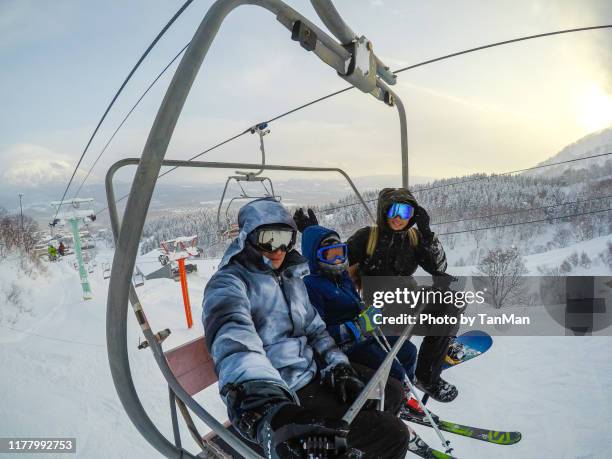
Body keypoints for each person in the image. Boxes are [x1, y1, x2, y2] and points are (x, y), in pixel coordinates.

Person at [202, 198, 411, 459]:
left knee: (390, 392)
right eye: (269, 238)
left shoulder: (291, 279)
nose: (278, 250)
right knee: (393, 435)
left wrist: (338, 367)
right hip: (281, 392)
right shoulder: (229, 285)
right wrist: (265, 407)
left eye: (286, 239)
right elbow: (235, 345)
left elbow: (316, 330)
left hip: (312, 374)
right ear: (248, 238)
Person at [345, 188, 459, 403]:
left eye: (406, 213)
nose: (399, 218)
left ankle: (426, 375)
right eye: (393, 211)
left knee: (450, 302)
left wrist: (426, 233)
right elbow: (337, 266)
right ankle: (393, 388)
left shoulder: (414, 239)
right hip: (378, 308)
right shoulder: (367, 238)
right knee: (396, 350)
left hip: (408, 299)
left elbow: (439, 267)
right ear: (383, 212)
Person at [300, 224, 425, 416]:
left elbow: (355, 306)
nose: (338, 259)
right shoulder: (310, 286)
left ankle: (404, 397)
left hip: (363, 338)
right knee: (393, 368)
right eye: (329, 255)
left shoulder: (343, 279)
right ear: (315, 257)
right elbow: (316, 332)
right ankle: (387, 409)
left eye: (340, 253)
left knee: (408, 351)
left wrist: (369, 312)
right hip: (344, 348)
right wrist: (355, 327)